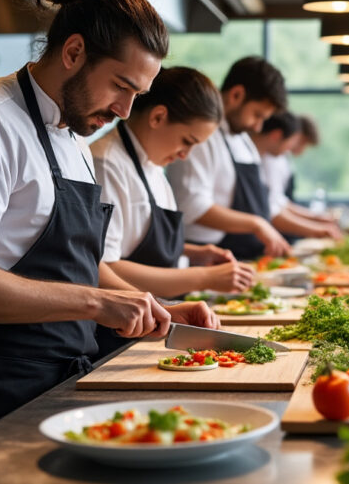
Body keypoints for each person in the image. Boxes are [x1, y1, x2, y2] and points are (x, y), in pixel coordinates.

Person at [0, 0, 218, 454]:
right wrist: (97, 304)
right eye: (121, 85)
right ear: (74, 52)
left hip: (65, 385)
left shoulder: (71, 137)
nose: (124, 110)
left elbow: (76, 262)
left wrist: (159, 309)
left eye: (137, 94)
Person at [91, 66, 255, 358]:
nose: (184, 156)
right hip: (118, 339)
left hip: (157, 325)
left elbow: (136, 241)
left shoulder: (153, 166)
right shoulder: (108, 164)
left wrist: (193, 252)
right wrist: (204, 277)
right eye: (187, 142)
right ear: (157, 117)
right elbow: (107, 266)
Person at [167, 56, 290, 260]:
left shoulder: (243, 140)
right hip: (206, 255)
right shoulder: (202, 136)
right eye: (257, 115)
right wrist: (256, 224)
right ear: (236, 95)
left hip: (245, 256)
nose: (258, 127)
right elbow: (191, 205)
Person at [252, 112, 341, 240]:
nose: (302, 150)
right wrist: (317, 227)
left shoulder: (281, 158)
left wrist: (317, 219)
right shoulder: (272, 158)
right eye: (302, 142)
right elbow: (273, 209)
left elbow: (280, 202)